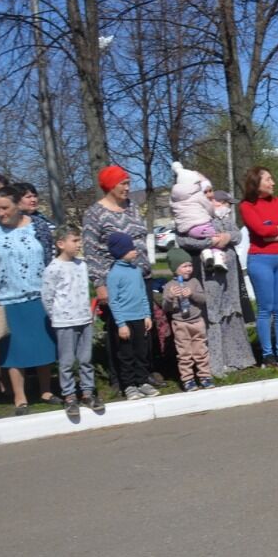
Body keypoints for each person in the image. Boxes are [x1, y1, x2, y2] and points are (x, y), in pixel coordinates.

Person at [0, 186, 58, 414]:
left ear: (17, 205)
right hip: (8, 299)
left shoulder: (38, 226)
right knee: (13, 352)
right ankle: (20, 397)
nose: (1, 213)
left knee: (43, 345)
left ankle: (46, 390)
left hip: (38, 296)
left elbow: (49, 255)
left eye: (5, 208)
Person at [83, 164, 165, 388]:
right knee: (121, 329)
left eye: (128, 183)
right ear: (110, 186)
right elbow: (91, 253)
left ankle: (144, 372)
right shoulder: (95, 214)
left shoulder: (132, 207)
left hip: (140, 277)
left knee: (144, 327)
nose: (128, 188)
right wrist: (99, 284)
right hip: (116, 281)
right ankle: (121, 378)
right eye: (123, 183)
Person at [175, 190, 256, 377]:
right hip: (208, 270)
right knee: (213, 313)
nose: (211, 199)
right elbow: (183, 239)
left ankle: (237, 358)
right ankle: (215, 363)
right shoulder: (191, 216)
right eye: (208, 194)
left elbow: (237, 235)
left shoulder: (222, 215)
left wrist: (226, 238)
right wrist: (208, 242)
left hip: (229, 270)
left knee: (231, 310)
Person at [239, 166, 278, 367]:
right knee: (265, 309)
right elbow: (259, 230)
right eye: (268, 179)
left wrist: (275, 233)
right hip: (260, 259)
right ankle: (267, 354)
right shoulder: (247, 206)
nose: (272, 183)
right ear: (256, 183)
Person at [40, 224, 102, 416]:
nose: (78, 244)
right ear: (60, 243)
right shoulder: (53, 268)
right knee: (67, 361)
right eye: (74, 241)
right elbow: (47, 296)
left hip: (84, 319)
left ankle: (87, 392)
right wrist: (57, 315)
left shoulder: (81, 265)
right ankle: (69, 395)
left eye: (79, 240)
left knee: (85, 359)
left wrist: (88, 313)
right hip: (64, 322)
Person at [105, 233, 157, 399]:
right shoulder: (114, 274)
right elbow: (113, 301)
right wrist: (121, 324)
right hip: (125, 322)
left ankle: (142, 382)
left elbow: (142, 294)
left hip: (140, 318)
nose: (135, 251)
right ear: (121, 251)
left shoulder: (137, 271)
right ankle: (128, 385)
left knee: (141, 352)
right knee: (126, 355)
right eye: (131, 249)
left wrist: (147, 315)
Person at [161, 247, 214, 392]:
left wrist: (192, 294)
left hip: (197, 321)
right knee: (184, 353)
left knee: (201, 350)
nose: (188, 269)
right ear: (174, 269)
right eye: (184, 266)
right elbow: (166, 308)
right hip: (180, 323)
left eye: (190, 265)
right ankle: (188, 379)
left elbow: (203, 299)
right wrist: (170, 297)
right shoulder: (170, 286)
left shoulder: (194, 282)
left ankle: (204, 376)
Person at [169, 162, 227, 270]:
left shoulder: (174, 199)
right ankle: (218, 259)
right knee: (216, 238)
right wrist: (213, 213)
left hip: (188, 230)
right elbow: (208, 207)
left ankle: (206, 253)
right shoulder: (197, 195)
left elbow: (173, 211)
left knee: (206, 240)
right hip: (202, 225)